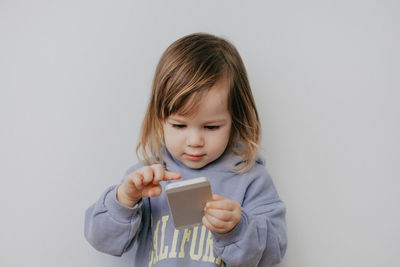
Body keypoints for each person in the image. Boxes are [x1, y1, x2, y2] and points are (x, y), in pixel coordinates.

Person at [84, 33, 287, 267]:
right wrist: (125, 199)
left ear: (235, 121)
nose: (194, 141)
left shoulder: (251, 179)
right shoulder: (146, 178)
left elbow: (274, 251)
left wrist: (237, 228)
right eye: (179, 125)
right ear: (159, 120)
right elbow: (101, 240)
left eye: (211, 127)